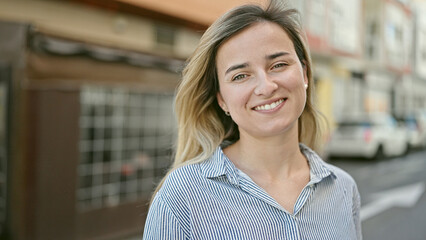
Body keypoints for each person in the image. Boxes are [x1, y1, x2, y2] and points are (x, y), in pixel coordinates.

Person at [143, 0, 362, 239]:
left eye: (278, 64)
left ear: (305, 73)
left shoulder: (343, 188)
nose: (266, 87)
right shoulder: (181, 196)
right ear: (222, 100)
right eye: (240, 76)